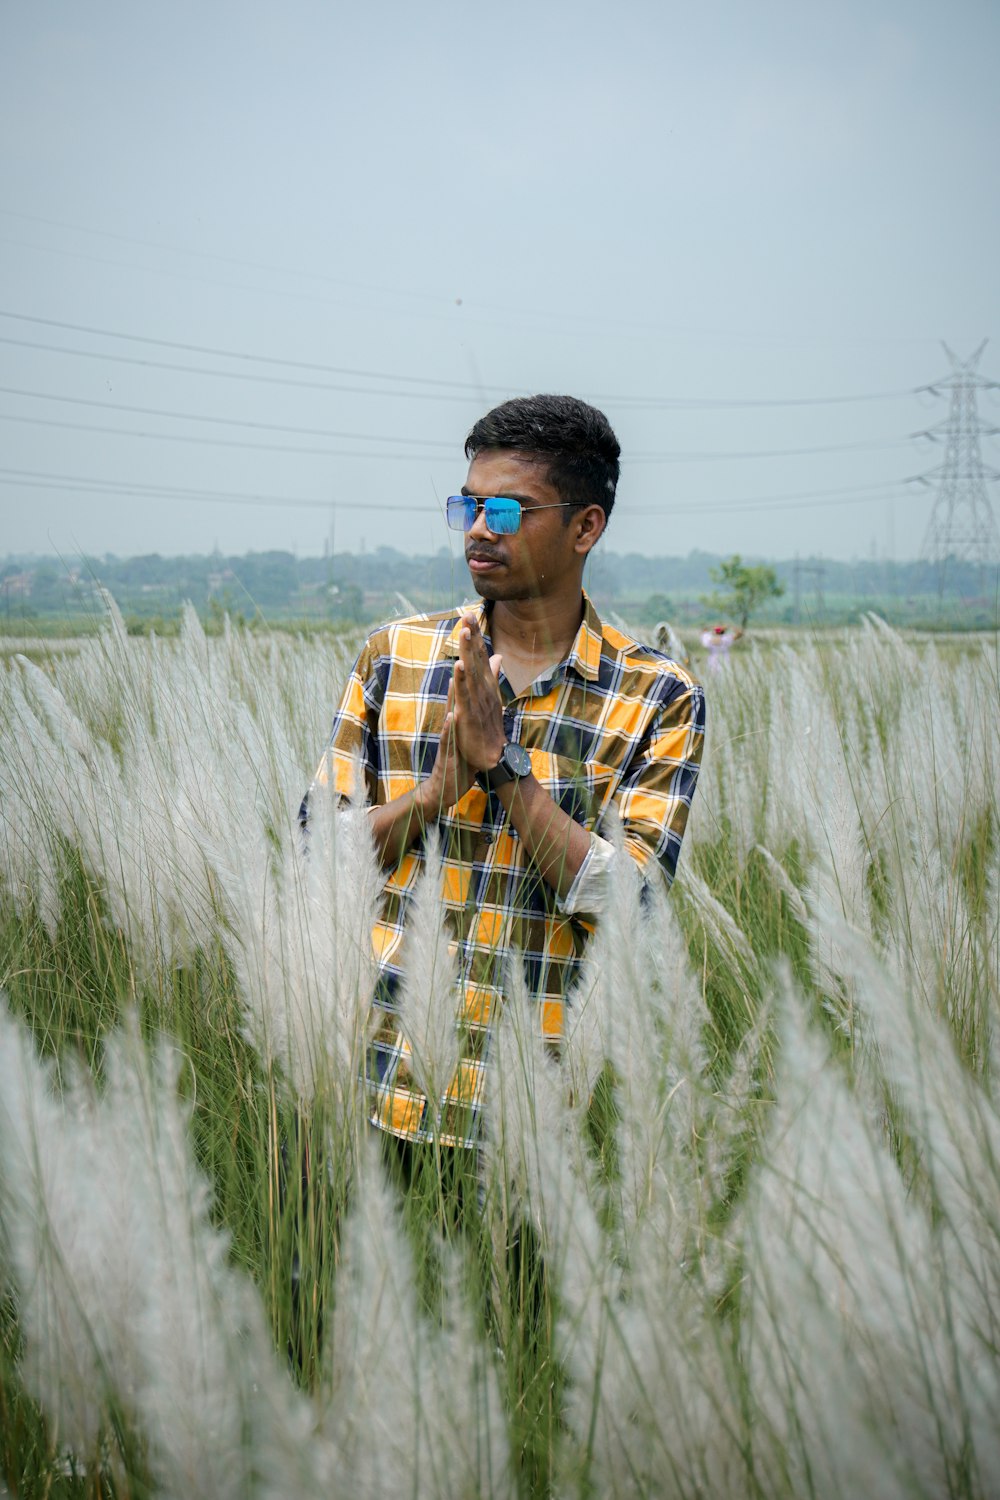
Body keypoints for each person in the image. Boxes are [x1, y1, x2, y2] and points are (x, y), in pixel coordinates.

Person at [311, 394, 705, 1150]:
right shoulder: (393, 657)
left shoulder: (657, 696)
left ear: (586, 525)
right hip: (370, 1090)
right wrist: (433, 794)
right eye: (469, 505)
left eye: (509, 508)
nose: (481, 529)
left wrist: (504, 772)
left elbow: (631, 904)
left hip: (536, 1122)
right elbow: (319, 861)